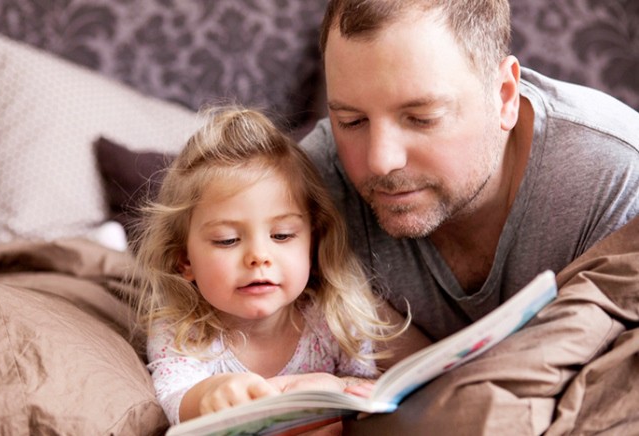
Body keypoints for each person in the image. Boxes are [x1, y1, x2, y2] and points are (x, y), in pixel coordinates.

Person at [300, 0, 639, 432]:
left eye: (421, 118)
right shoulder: (310, 188)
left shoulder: (614, 176)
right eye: (351, 121)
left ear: (504, 97)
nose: (381, 160)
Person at [133, 106, 429, 426]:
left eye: (282, 235)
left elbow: (395, 376)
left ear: (312, 244)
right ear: (185, 260)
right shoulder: (182, 332)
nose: (259, 256)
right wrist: (208, 396)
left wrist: (339, 387)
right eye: (227, 240)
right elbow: (174, 396)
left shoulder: (334, 316)